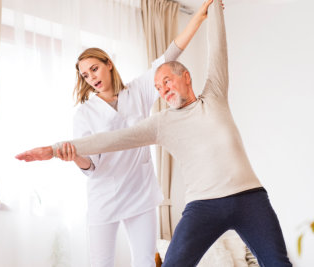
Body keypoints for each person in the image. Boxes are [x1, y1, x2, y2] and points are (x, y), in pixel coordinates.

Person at [16, 0, 293, 266]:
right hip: (200, 206)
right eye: (158, 87)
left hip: (248, 197)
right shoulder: (161, 123)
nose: (161, 90)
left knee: (278, 263)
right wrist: (55, 150)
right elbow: (110, 141)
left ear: (186, 77)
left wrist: (209, 13)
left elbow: (216, 49)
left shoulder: (214, 95)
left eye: (167, 81)